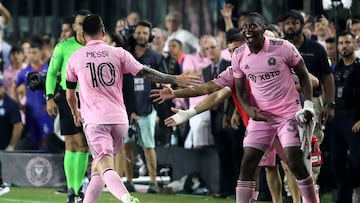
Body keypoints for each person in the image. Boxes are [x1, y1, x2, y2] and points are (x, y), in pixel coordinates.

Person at [65, 14, 200, 203]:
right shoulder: (118, 53)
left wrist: (75, 111)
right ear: (103, 32)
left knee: (105, 165)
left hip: (95, 121)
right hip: (120, 120)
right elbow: (145, 72)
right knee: (98, 167)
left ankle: (126, 198)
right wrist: (174, 78)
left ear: (82, 34)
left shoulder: (75, 57)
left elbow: (70, 93)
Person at [232, 12, 317, 203]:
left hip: (288, 114)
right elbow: (240, 90)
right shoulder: (238, 55)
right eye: (244, 27)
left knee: (293, 162)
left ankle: (312, 200)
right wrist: (248, 109)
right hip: (262, 116)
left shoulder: (283, 47)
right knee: (247, 163)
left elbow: (304, 75)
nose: (247, 30)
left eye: (252, 26)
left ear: (264, 28)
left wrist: (309, 105)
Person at [45, 9, 92, 203]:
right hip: (68, 96)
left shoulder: (96, 47)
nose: (82, 27)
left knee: (84, 146)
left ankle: (79, 189)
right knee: (71, 145)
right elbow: (51, 73)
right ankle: (72, 190)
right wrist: (49, 97)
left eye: (86, 23)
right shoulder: (63, 47)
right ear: (74, 26)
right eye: (79, 23)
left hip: (90, 99)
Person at [330, 31, 360, 203]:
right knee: (336, 163)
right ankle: (344, 199)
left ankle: (357, 192)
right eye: (340, 43)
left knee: (356, 161)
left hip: (355, 119)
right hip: (336, 121)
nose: (343, 46)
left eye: (347, 42)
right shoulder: (335, 68)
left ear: (354, 44)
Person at [15, 37, 54, 151]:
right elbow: (14, 88)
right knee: (33, 143)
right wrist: (19, 104)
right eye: (30, 52)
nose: (32, 55)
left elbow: (58, 89)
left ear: (41, 52)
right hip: (30, 113)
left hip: (45, 113)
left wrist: (50, 101)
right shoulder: (24, 72)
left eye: (35, 52)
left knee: (47, 142)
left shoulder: (48, 70)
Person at [0, 78, 23, 196]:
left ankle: (2, 184)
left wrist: (11, 145)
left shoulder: (11, 104)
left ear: (4, 88)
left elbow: (18, 126)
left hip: (4, 144)